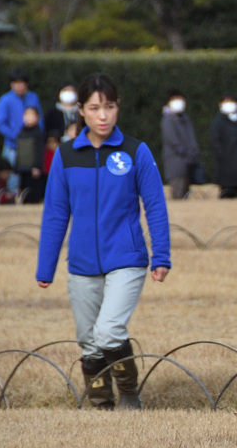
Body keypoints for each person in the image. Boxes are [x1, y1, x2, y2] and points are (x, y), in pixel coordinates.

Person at [36, 73, 171, 410]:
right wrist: (46, 267)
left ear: (117, 108)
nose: (103, 115)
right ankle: (100, 404)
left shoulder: (135, 151)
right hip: (81, 265)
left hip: (127, 259)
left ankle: (128, 396)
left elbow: (155, 206)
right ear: (80, 110)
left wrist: (162, 256)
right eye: (94, 108)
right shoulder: (66, 156)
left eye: (109, 107)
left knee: (109, 331)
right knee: (89, 342)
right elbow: (55, 214)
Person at [0, 68, 42, 172]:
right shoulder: (5, 100)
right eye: (16, 83)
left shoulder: (33, 97)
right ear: (11, 84)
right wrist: (17, 135)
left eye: (22, 83)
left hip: (32, 147)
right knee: (12, 179)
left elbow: (40, 119)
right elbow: (0, 124)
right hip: (13, 147)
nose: (19, 87)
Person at [160, 89, 200, 200]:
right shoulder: (168, 120)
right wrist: (188, 153)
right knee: (178, 195)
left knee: (186, 195)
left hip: (188, 163)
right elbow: (174, 142)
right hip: (176, 164)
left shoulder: (185, 118)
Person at [209, 94, 237, 198]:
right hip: (225, 166)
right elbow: (215, 142)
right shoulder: (218, 121)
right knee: (227, 192)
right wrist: (222, 156)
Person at [15, 106, 46, 203]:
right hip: (22, 167)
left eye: (32, 115)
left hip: (33, 168)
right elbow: (18, 150)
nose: (28, 117)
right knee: (23, 191)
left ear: (37, 118)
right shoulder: (21, 132)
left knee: (32, 193)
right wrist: (16, 165)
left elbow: (40, 151)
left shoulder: (38, 133)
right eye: (26, 114)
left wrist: (37, 166)